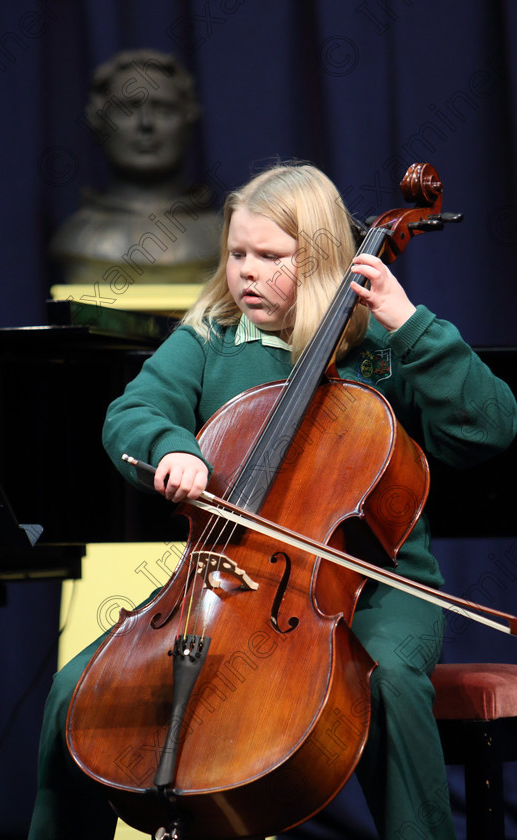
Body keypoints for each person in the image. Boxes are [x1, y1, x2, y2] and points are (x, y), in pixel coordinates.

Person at [29, 162, 517, 840]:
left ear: (317, 259)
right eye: (237, 254)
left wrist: (409, 322)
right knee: (76, 692)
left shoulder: (380, 345)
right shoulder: (209, 340)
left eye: (270, 256)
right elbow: (133, 410)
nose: (247, 272)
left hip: (380, 591)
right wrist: (173, 448)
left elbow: (489, 427)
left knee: (390, 688)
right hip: (221, 580)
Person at [50, 49, 220, 288]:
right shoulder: (77, 237)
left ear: (188, 121)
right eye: (127, 109)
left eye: (164, 110)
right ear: (99, 122)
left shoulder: (220, 237)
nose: (146, 124)